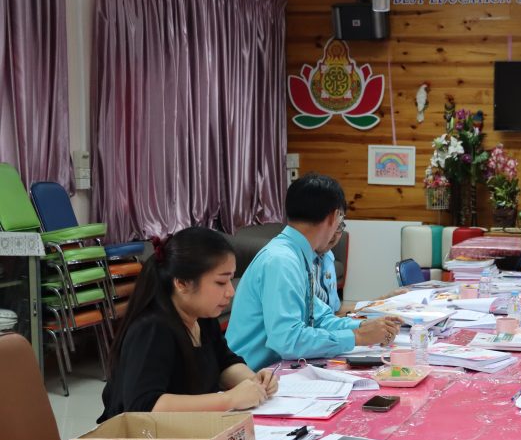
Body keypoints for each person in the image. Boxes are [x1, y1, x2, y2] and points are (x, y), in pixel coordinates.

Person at [99, 228, 277, 422]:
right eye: (221, 282)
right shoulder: (151, 328)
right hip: (140, 438)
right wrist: (229, 399)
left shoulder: (202, 316)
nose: (230, 292)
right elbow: (144, 406)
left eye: (230, 280)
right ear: (182, 283)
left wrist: (253, 381)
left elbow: (224, 362)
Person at [227, 174, 402, 370]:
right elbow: (288, 341)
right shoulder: (282, 261)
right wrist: (358, 336)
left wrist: (365, 326)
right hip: (250, 374)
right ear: (334, 216)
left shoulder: (297, 254)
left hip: (274, 370)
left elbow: (320, 318)